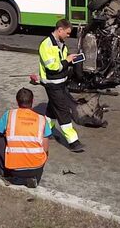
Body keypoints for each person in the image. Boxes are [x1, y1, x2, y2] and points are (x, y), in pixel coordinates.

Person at [38, 19, 85, 153]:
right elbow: (53, 67)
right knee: (63, 111)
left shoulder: (60, 43)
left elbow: (61, 63)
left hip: (60, 82)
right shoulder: (46, 45)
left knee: (53, 108)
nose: (68, 36)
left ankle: (45, 131)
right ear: (60, 30)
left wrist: (71, 61)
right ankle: (73, 142)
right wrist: (67, 61)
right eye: (68, 33)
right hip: (53, 84)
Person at [0, 88, 50, 188]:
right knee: (43, 147)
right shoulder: (42, 119)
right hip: (37, 167)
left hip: (15, 167)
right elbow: (46, 148)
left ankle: (8, 173)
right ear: (32, 101)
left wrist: (7, 134)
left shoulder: (10, 114)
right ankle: (33, 177)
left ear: (17, 101)